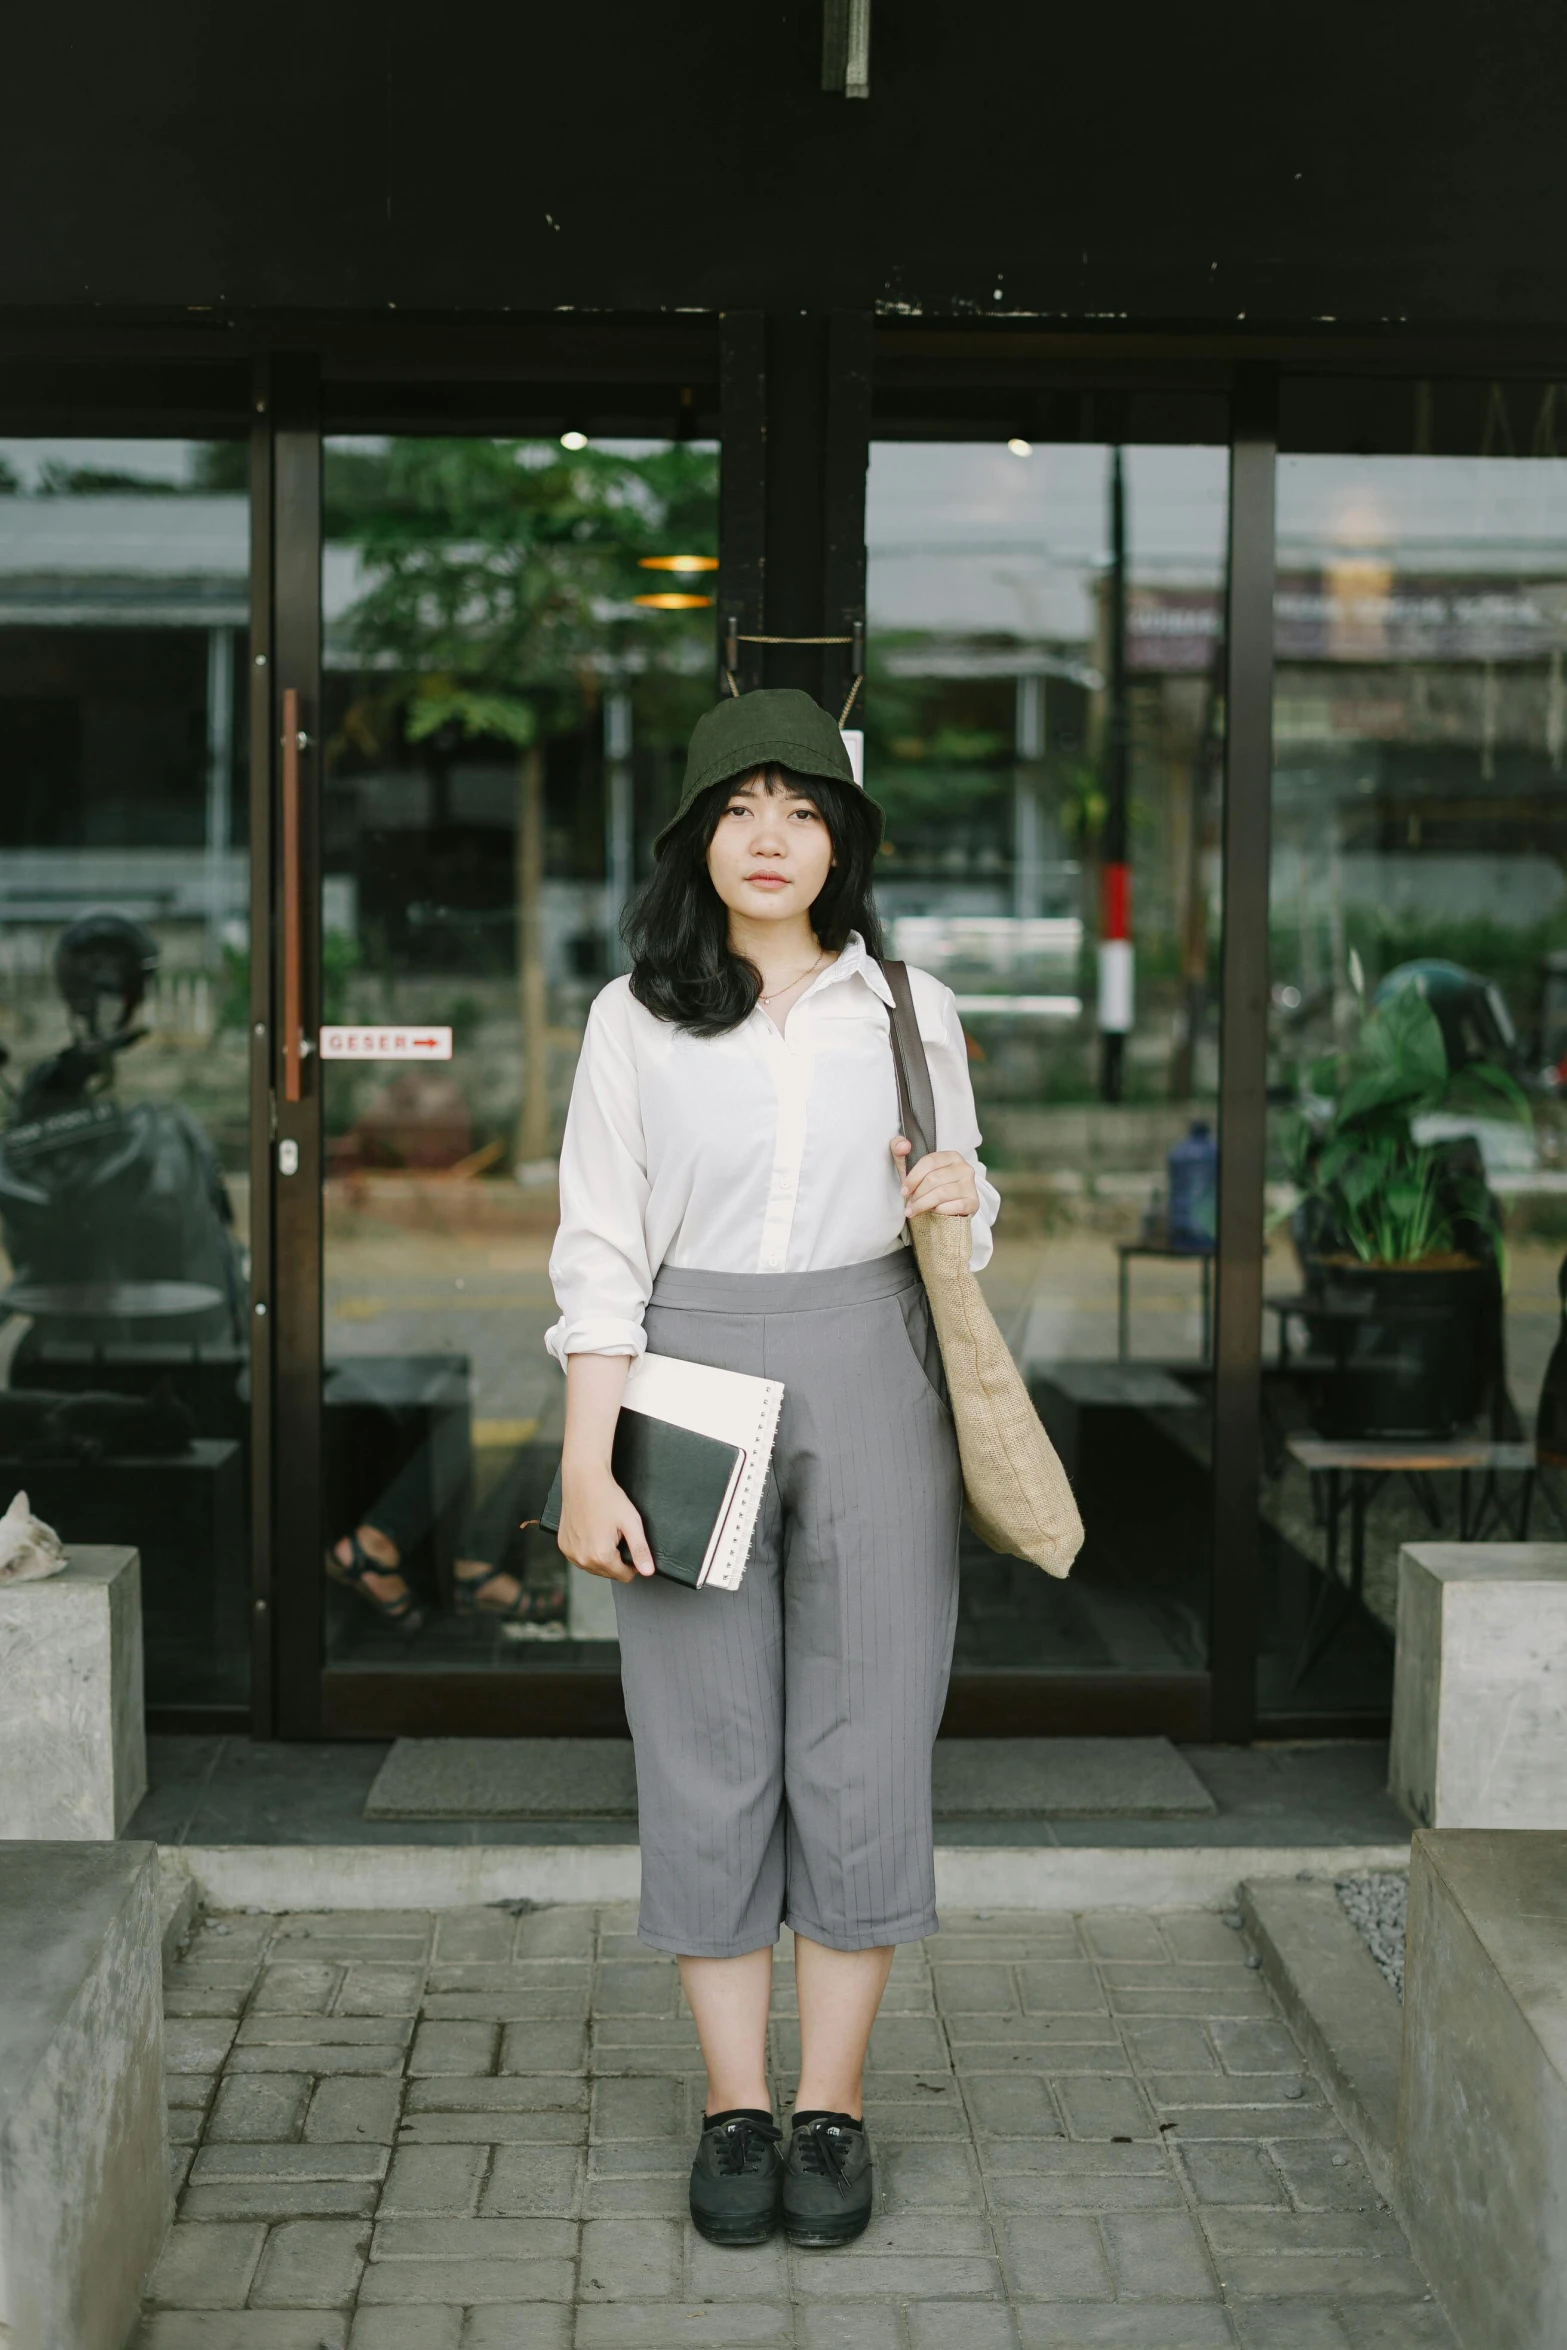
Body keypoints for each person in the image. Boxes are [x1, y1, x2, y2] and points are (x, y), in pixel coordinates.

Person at [546, 688, 999, 2249]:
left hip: (873, 1368)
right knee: (705, 1744)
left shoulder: (906, 1008)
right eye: (740, 806)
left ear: (841, 838)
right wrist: (582, 1462)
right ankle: (736, 2105)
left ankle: (836, 2107)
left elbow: (961, 1218)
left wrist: (960, 1187)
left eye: (802, 808)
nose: (770, 836)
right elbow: (598, 1250)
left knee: (867, 1745)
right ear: (693, 834)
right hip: (682, 1371)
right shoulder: (634, 1016)